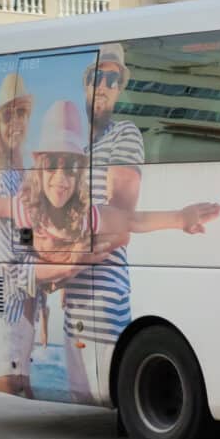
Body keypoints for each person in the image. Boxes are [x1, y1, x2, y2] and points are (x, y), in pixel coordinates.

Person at [0, 97, 219, 404]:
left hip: (77, 322)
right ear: (39, 168)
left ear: (80, 173)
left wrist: (181, 218)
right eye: (52, 165)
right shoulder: (25, 210)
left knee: (65, 388)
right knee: (25, 388)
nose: (61, 178)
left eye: (71, 167)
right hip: (13, 322)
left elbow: (132, 220)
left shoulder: (86, 215)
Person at [62, 45, 145, 404]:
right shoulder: (78, 146)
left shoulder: (124, 135)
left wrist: (63, 261)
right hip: (72, 312)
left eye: (114, 79)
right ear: (86, 84)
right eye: (99, 76)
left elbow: (118, 224)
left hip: (105, 300)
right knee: (82, 390)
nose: (105, 85)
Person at [0, 71, 35, 396]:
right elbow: (11, 261)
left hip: (23, 325)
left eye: (22, 112)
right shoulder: (3, 183)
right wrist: (57, 267)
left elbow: (26, 240)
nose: (15, 121)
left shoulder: (21, 175)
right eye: (8, 114)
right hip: (8, 323)